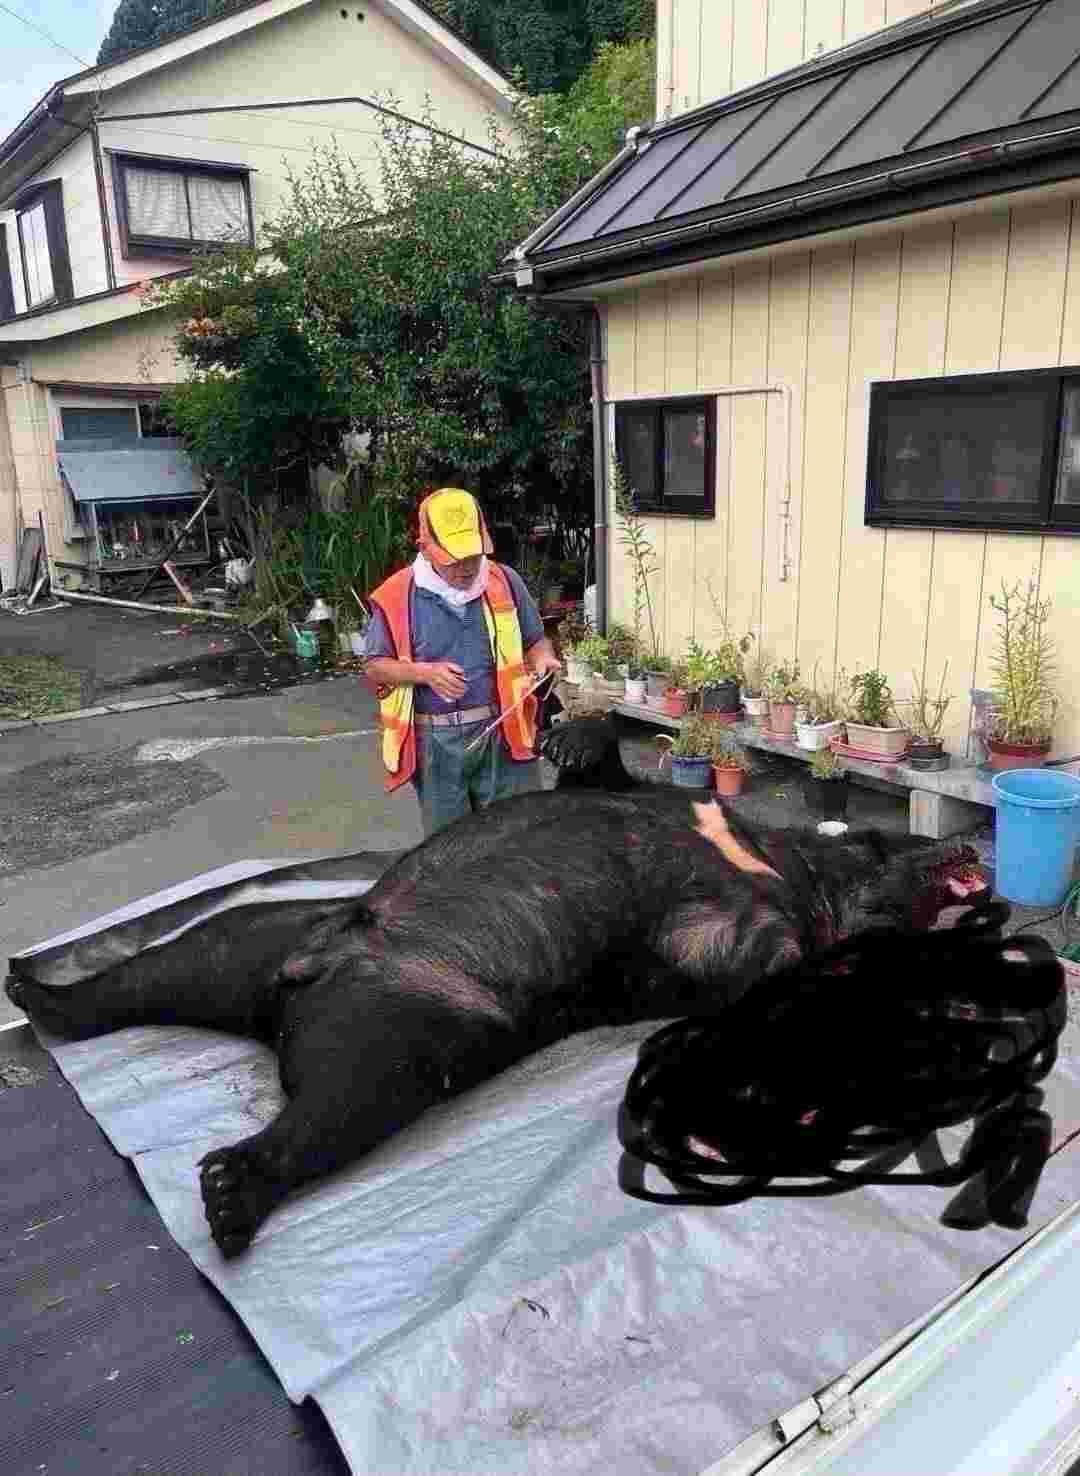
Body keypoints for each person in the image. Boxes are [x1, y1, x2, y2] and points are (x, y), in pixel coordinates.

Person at [362, 488, 562, 835]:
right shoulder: (396, 595)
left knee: (520, 837)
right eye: (454, 558)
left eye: (472, 555)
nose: (467, 567)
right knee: (452, 848)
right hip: (435, 742)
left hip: (504, 731)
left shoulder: (504, 581)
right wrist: (425, 673)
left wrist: (544, 660)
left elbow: (535, 641)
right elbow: (374, 666)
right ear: (426, 548)